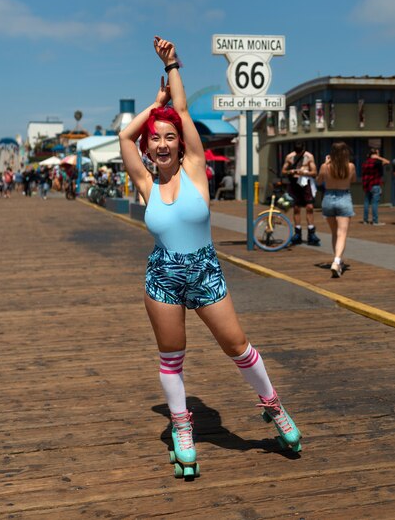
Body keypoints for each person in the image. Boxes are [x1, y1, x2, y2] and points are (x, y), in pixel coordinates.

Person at [119, 36, 301, 477]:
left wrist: (173, 67)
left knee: (238, 346)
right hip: (162, 277)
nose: (162, 143)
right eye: (156, 139)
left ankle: (273, 407)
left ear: (181, 145)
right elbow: (125, 134)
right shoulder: (146, 184)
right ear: (149, 147)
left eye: (169, 138)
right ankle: (183, 427)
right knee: (171, 356)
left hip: (205, 272)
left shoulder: (197, 169)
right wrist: (154, 103)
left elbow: (182, 113)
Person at [316, 142, 356, 278]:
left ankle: (337, 260)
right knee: (342, 233)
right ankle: (337, 261)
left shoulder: (325, 166)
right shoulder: (350, 166)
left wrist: (325, 164)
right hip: (344, 197)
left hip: (328, 198)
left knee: (335, 233)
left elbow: (318, 181)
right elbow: (353, 179)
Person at [282, 141, 321, 246]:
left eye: (300, 152)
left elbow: (314, 172)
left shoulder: (309, 157)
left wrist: (304, 172)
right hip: (294, 183)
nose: (298, 154)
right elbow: (283, 171)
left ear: (304, 149)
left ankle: (311, 232)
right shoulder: (290, 157)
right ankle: (298, 232)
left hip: (305, 183)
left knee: (309, 207)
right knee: (296, 207)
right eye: (297, 152)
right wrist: (291, 172)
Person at [361, 148, 390, 225]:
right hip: (375, 185)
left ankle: (365, 220)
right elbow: (387, 161)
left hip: (367, 185)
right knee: (374, 203)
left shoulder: (365, 162)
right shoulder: (377, 162)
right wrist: (378, 157)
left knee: (367, 202)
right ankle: (375, 221)